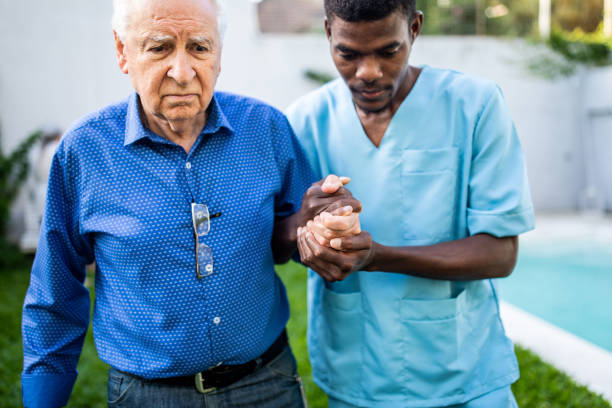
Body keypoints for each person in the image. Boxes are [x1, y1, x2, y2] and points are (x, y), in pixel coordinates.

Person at [20, 0, 358, 406]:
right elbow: (55, 290)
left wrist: (325, 228)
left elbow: (294, 232)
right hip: (147, 395)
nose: (182, 72)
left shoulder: (265, 128)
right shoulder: (85, 152)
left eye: (199, 47)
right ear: (122, 52)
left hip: (266, 384)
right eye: (160, 47)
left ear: (219, 55)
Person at [287, 1, 535, 407]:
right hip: (357, 373)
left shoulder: (475, 105)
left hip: (466, 371)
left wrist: (375, 256)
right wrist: (308, 231)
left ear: (415, 28)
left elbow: (500, 253)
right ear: (329, 32)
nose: (368, 72)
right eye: (348, 54)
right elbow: (281, 240)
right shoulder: (304, 121)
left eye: (389, 51)